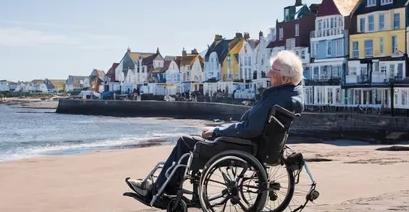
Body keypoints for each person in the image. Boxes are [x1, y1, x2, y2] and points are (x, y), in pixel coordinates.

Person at [126, 50, 305, 203]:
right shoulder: (292, 96)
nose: (267, 74)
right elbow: (252, 127)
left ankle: (160, 189)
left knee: (185, 143)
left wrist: (216, 131)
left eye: (272, 71)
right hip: (257, 147)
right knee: (191, 143)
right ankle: (166, 186)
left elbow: (249, 129)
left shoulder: (275, 99)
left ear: (283, 77)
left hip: (242, 146)